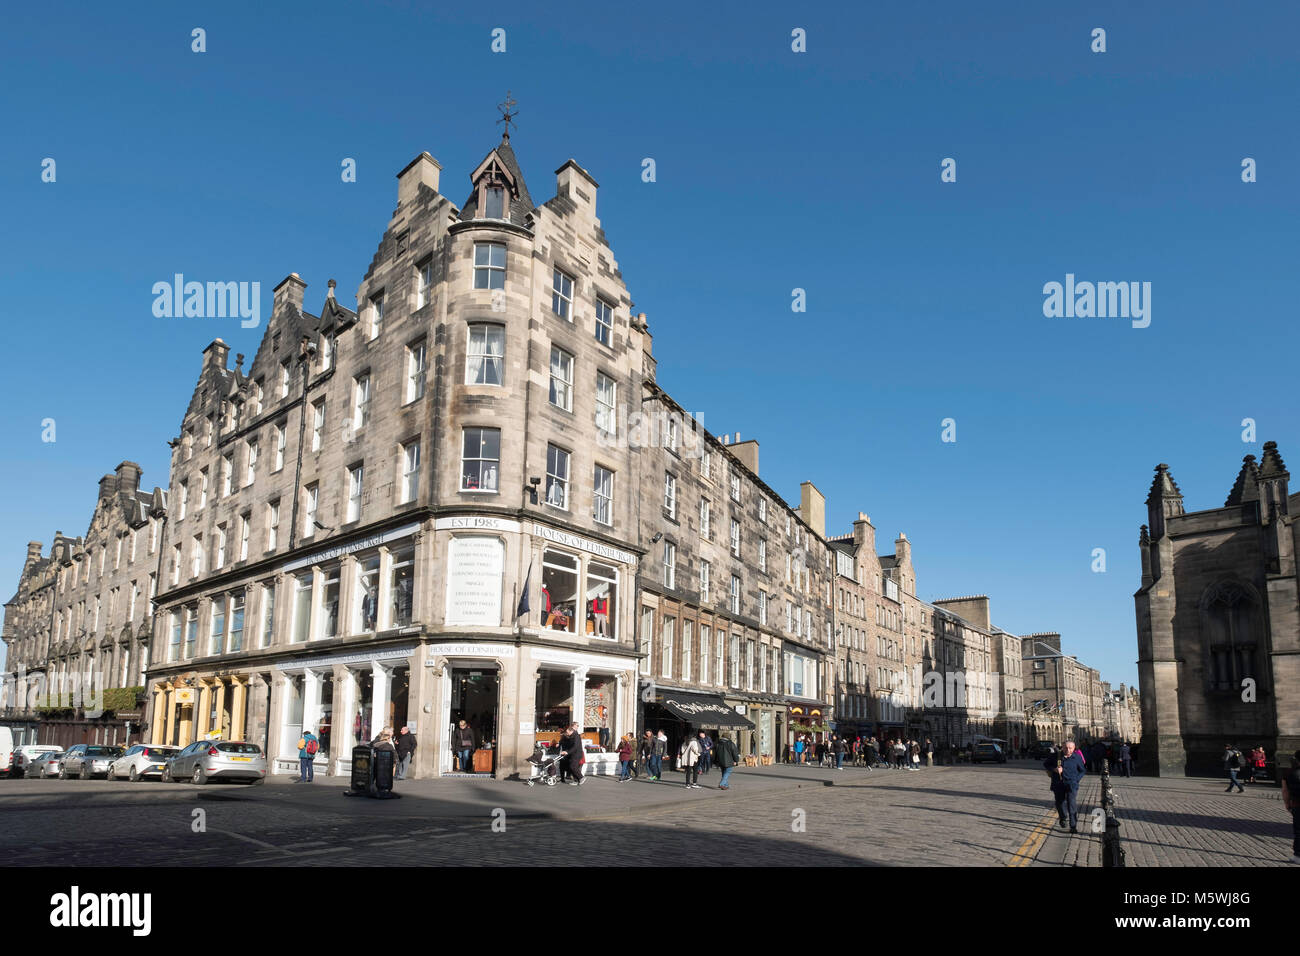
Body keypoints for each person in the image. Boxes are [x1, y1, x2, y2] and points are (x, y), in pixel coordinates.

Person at [1046, 739, 1087, 832]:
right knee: (1060, 803)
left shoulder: (1077, 757)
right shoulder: (1055, 756)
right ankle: (1063, 817)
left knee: (1071, 804)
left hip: (1072, 784)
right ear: (1062, 747)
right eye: (1066, 748)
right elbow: (1046, 764)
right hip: (1058, 784)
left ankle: (1073, 826)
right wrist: (1055, 769)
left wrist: (1076, 780)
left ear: (1074, 748)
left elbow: (1082, 770)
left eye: (1070, 748)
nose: (1068, 750)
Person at [1282, 750, 1300, 864]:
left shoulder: (1288, 773)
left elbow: (1285, 791)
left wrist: (1287, 804)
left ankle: (1298, 856)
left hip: (1297, 804)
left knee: (1299, 831)